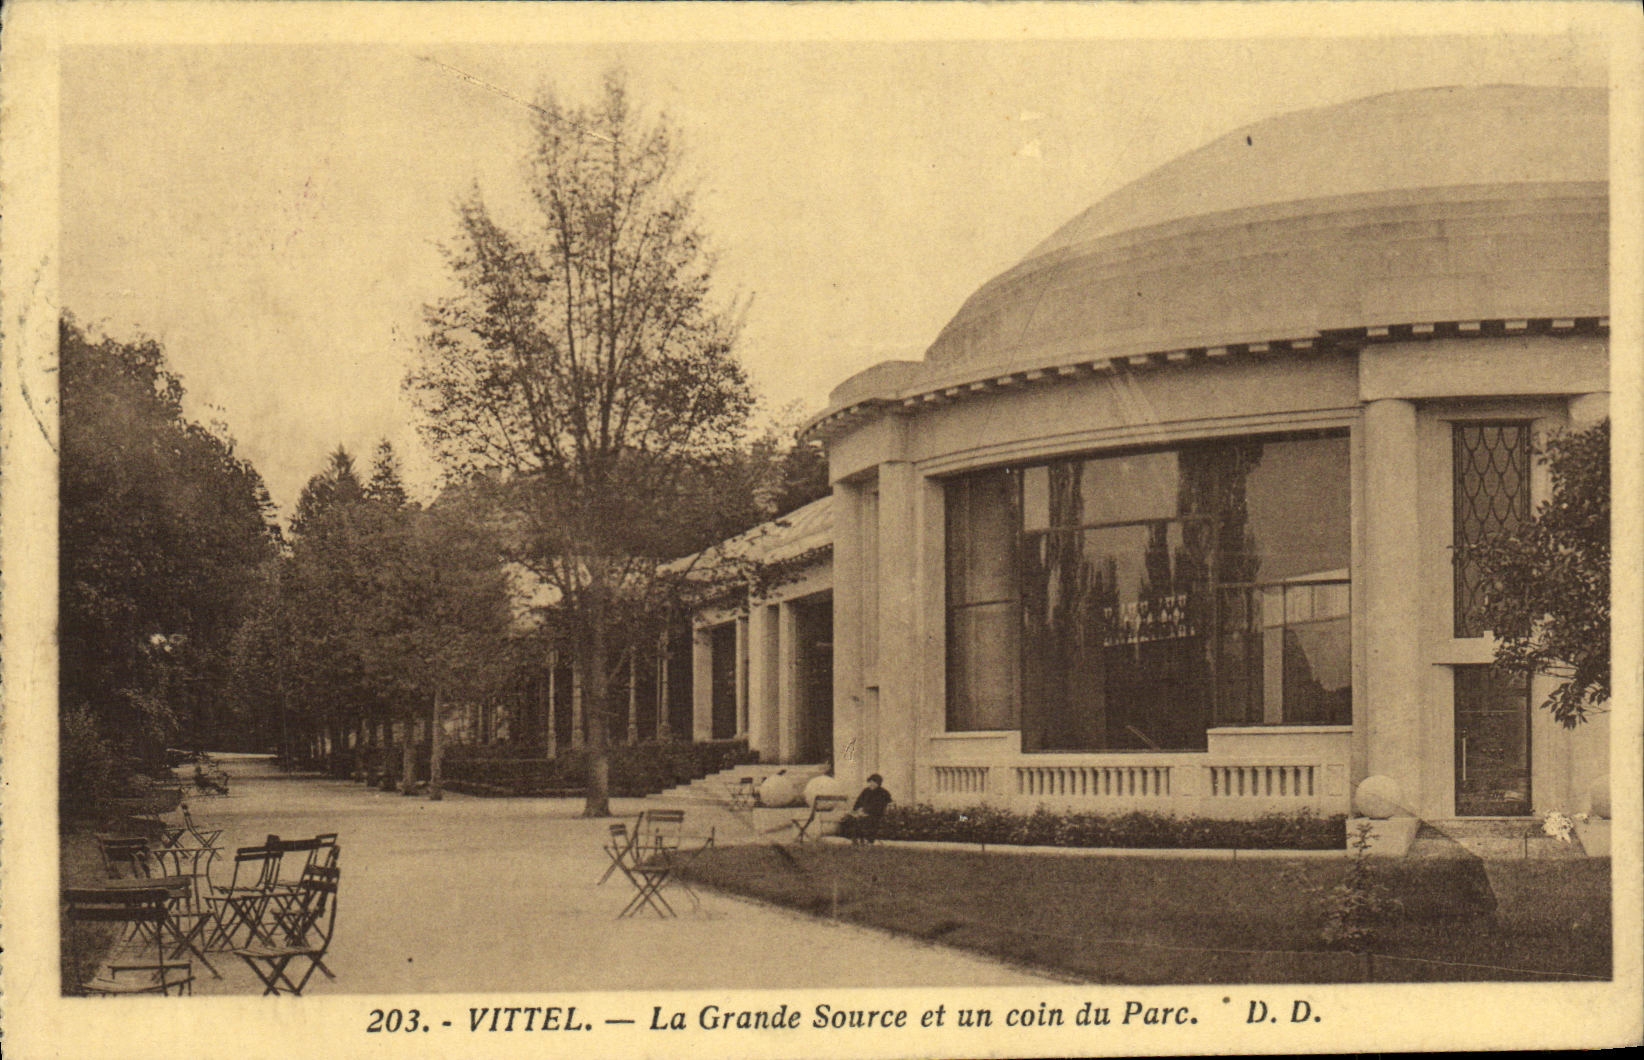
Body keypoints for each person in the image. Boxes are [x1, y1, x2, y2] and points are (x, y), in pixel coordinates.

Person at [849, 773, 892, 844]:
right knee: (853, 818)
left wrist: (866, 811)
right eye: (870, 782)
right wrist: (856, 810)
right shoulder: (866, 791)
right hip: (863, 812)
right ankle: (856, 838)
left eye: (873, 782)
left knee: (868, 820)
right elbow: (858, 802)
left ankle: (869, 839)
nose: (871, 784)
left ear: (878, 783)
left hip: (876, 814)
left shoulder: (883, 793)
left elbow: (880, 806)